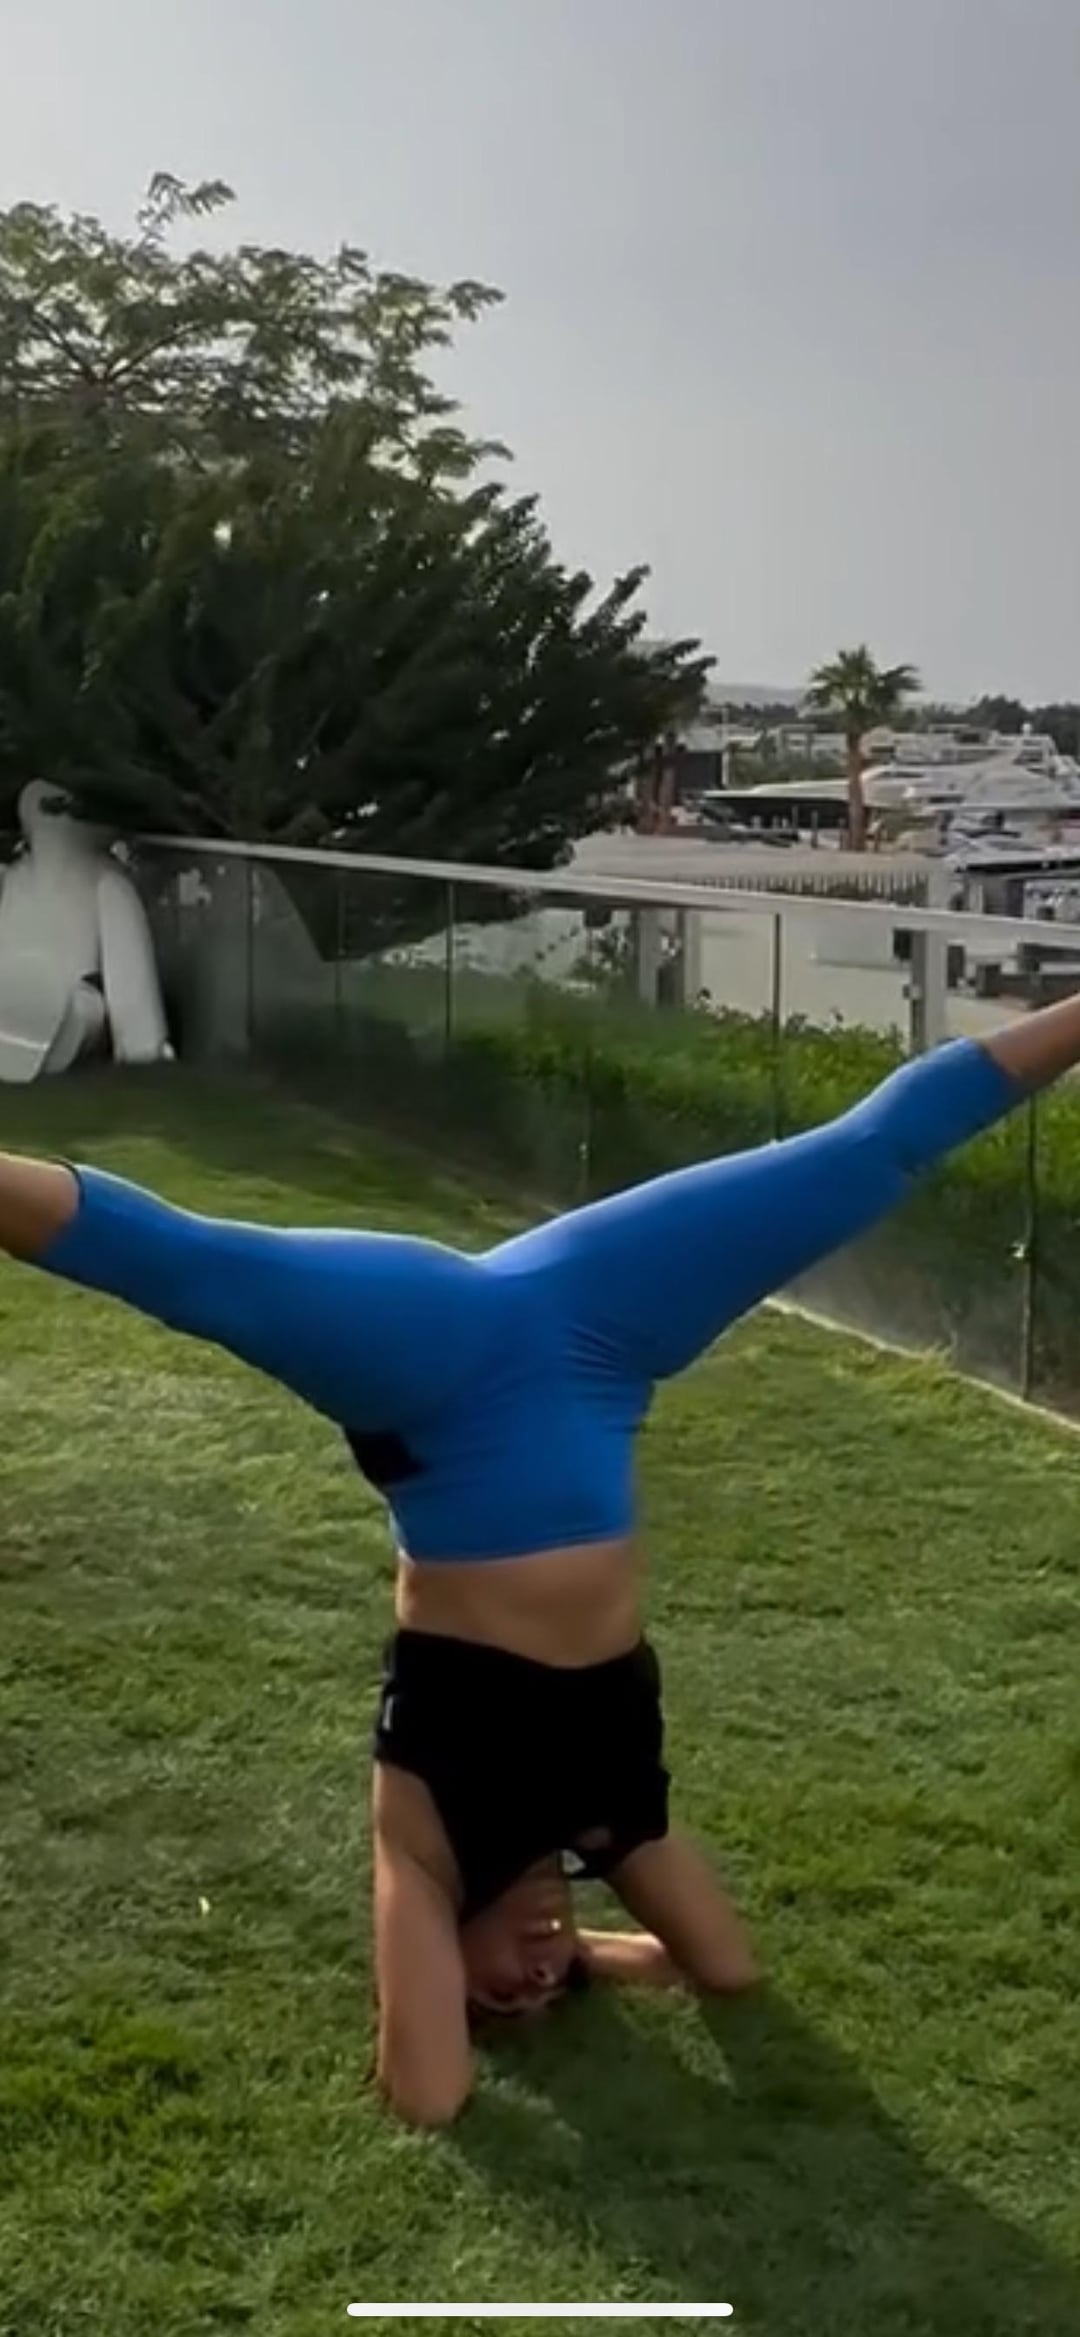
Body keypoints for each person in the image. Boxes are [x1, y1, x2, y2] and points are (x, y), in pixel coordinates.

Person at [4, 997, 1080, 2123]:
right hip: (599, 1335)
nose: (534, 1971)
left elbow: (428, 2093)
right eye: (550, 1983)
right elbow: (715, 1967)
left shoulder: (425, 1850)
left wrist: (452, 1945)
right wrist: (590, 1955)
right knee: (871, 1155)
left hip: (428, 1369)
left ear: (442, 1955)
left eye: (500, 1989)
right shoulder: (606, 1822)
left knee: (181, 1264)